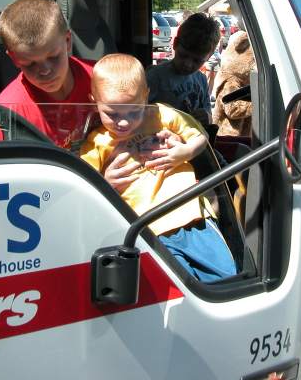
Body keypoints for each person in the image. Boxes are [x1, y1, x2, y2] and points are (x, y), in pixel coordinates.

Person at [81, 53, 236, 282]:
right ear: (94, 100)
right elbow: (85, 183)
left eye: (134, 111)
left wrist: (184, 152)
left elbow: (199, 135)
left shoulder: (161, 114)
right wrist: (107, 181)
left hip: (192, 216)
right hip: (148, 230)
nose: (124, 122)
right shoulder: (97, 141)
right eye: (112, 114)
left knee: (225, 278)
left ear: (146, 96)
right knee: (178, 287)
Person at [0, 0, 95, 148]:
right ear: (14, 59)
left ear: (68, 41)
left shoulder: (101, 79)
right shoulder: (9, 112)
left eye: (53, 57)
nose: (45, 71)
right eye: (30, 64)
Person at [146, 13, 220, 124]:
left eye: (197, 61)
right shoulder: (155, 76)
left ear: (209, 56)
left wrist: (207, 117)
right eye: (183, 55)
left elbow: (208, 113)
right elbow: (139, 113)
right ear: (175, 44)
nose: (188, 64)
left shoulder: (202, 80)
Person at [213, 31, 255, 137]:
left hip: (240, 137)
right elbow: (232, 109)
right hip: (228, 137)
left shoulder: (241, 82)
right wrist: (257, 106)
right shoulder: (230, 81)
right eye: (253, 61)